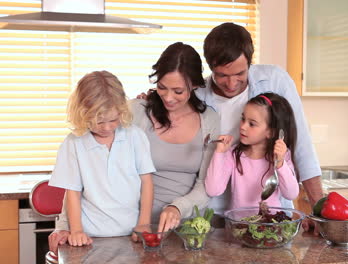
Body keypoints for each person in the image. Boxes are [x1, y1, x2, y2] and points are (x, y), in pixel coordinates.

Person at [48, 42, 220, 254]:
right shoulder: (134, 111)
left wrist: (177, 208)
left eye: (178, 91)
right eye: (162, 87)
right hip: (133, 232)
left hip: (182, 228)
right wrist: (67, 227)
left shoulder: (209, 120)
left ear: (194, 85)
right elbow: (77, 184)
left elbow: (208, 184)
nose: (167, 97)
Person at [195, 22, 323, 233]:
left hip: (274, 217)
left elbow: (302, 146)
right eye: (221, 75)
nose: (231, 83)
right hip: (218, 216)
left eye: (240, 73)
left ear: (250, 63)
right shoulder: (198, 95)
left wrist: (319, 210)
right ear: (210, 68)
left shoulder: (275, 80)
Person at [48, 71, 155, 247]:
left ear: (122, 110)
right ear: (83, 113)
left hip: (130, 233)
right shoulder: (74, 143)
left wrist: (144, 223)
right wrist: (76, 231)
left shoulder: (135, 136)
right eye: (98, 122)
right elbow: (73, 192)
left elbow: (147, 182)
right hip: (90, 235)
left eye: (113, 120)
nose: (107, 127)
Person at [205, 93, 299, 208]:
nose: (243, 126)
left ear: (271, 132)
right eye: (243, 119)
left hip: (271, 224)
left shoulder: (282, 156)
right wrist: (219, 153)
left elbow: (291, 194)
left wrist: (280, 163)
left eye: (252, 124)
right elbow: (213, 190)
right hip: (238, 224)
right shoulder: (234, 154)